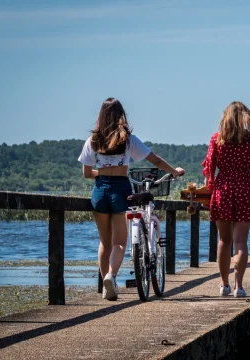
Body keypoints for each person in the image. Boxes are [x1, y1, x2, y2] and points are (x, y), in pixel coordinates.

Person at [78, 97, 185, 301]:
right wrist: (174, 171)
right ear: (121, 115)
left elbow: (86, 173)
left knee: (104, 242)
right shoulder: (127, 140)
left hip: (99, 191)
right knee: (119, 242)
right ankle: (112, 275)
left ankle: (105, 285)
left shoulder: (93, 141)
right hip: (120, 189)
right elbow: (154, 159)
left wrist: (101, 173)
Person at [202, 101, 250, 297]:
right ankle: (238, 287)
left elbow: (209, 166)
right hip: (245, 188)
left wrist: (210, 185)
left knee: (224, 240)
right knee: (240, 241)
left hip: (222, 189)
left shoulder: (217, 139)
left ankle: (224, 285)